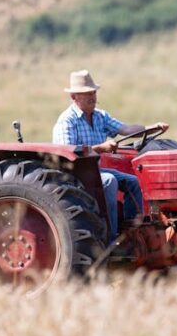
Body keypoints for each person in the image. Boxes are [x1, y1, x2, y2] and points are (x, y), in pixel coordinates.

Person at [52, 69, 168, 245]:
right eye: (86, 94)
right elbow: (69, 155)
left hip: (96, 170)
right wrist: (101, 148)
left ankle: (131, 233)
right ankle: (110, 239)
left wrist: (151, 127)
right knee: (109, 180)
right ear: (74, 97)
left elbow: (126, 129)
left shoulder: (100, 116)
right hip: (74, 175)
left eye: (93, 92)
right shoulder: (66, 121)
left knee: (134, 182)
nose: (92, 97)